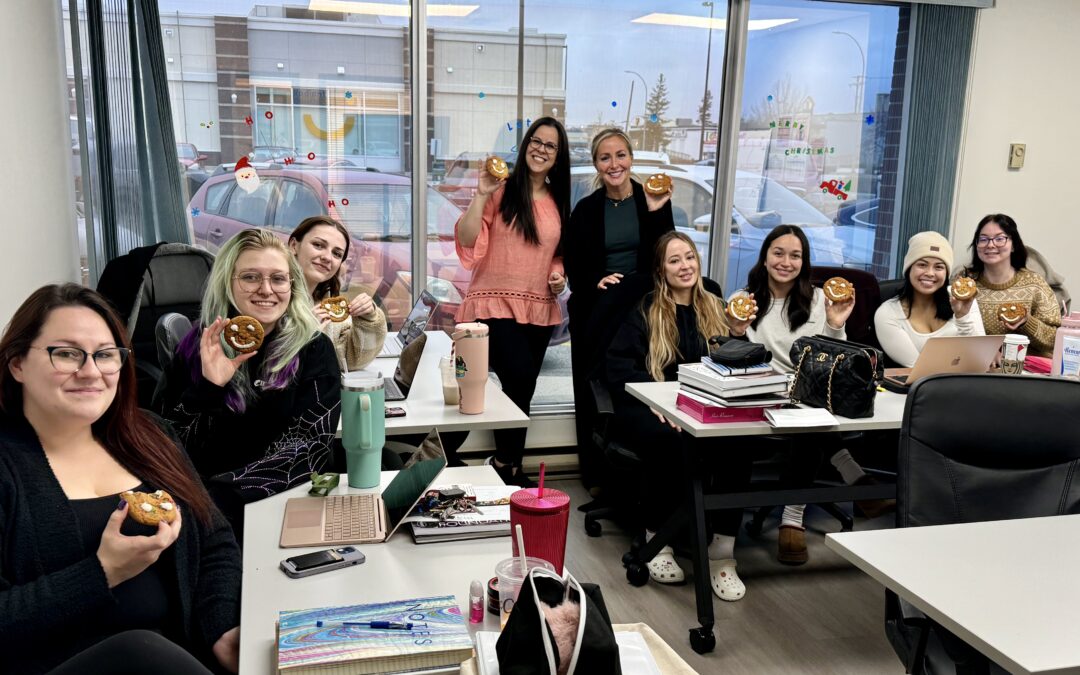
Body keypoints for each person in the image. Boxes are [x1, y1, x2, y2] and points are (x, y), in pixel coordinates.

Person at [0, 284, 241, 674]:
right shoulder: (8, 466)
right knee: (140, 651)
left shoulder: (148, 434)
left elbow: (214, 538)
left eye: (106, 355)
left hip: (183, 658)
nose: (91, 371)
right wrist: (102, 573)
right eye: (66, 354)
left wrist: (221, 630)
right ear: (18, 364)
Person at [157, 228, 341, 538]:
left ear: (291, 286)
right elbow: (166, 444)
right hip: (202, 511)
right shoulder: (196, 347)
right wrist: (209, 387)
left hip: (284, 502)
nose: (266, 290)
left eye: (278, 279)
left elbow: (312, 446)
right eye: (251, 277)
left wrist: (221, 496)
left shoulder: (312, 349)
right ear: (228, 282)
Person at [607, 231, 755, 600]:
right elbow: (618, 367)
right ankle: (659, 539)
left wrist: (737, 335)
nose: (685, 266)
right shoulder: (645, 310)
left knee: (741, 442)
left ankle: (722, 552)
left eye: (689, 257)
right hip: (651, 403)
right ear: (661, 269)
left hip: (705, 404)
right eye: (674, 260)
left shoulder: (717, 307)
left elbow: (739, 367)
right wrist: (658, 402)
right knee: (668, 441)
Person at [742, 225, 882, 564]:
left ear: (804, 263)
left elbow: (836, 356)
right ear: (764, 257)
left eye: (795, 255)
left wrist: (835, 323)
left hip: (815, 390)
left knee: (810, 419)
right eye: (778, 253)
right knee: (808, 420)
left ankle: (793, 513)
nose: (786, 262)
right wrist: (733, 332)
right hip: (765, 392)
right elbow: (739, 356)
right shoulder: (745, 300)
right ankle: (853, 479)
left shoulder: (820, 299)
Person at [455, 117, 571, 487]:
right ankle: (492, 462)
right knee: (510, 378)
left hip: (538, 307)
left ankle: (507, 467)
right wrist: (481, 194)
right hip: (492, 304)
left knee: (522, 392)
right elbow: (469, 238)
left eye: (550, 145)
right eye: (535, 141)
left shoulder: (558, 200)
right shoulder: (502, 190)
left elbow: (558, 253)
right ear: (525, 146)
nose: (540, 149)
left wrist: (559, 276)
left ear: (558, 155)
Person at [562, 128, 675, 489]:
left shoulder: (651, 199)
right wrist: (596, 279)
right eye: (605, 157)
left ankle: (642, 474)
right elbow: (574, 263)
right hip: (599, 305)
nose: (614, 164)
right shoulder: (586, 209)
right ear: (596, 163)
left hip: (643, 306)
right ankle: (597, 474)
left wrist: (658, 212)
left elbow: (667, 256)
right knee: (594, 388)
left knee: (641, 384)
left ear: (631, 158)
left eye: (621, 155)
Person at [289, 215, 387, 371]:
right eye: (318, 245)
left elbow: (352, 360)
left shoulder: (327, 304)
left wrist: (368, 319)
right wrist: (306, 335)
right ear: (294, 245)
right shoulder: (272, 299)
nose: (327, 257)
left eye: (337, 254)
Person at [875, 231, 985, 367]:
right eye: (922, 265)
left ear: (946, 273)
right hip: (919, 386)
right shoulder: (887, 313)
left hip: (967, 382)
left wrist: (962, 317)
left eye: (939, 267)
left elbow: (981, 358)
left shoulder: (963, 299)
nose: (930, 273)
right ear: (909, 268)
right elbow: (918, 368)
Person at [962, 213, 1061, 357]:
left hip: (1027, 370)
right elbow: (953, 330)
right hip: (977, 365)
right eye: (983, 239)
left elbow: (1054, 340)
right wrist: (985, 351)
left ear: (1013, 245)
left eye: (1000, 239)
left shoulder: (1035, 284)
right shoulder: (965, 284)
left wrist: (1027, 322)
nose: (990, 245)